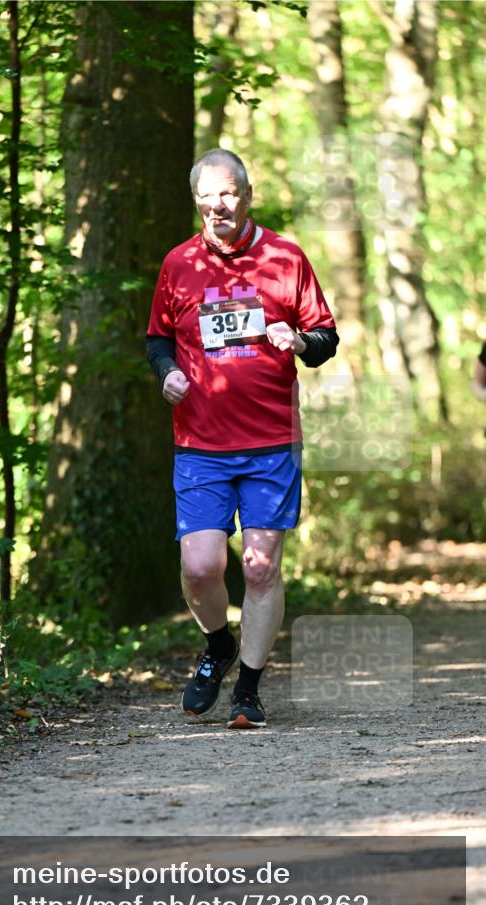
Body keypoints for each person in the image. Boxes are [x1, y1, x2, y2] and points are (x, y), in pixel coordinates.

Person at [146, 148, 339, 730]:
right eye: (206, 196)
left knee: (259, 568)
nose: (217, 205)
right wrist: (166, 372)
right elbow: (157, 338)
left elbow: (325, 337)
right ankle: (218, 645)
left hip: (270, 442)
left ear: (248, 196)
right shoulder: (178, 263)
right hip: (200, 443)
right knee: (201, 566)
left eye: (227, 193)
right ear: (196, 202)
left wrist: (298, 341)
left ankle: (249, 690)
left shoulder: (286, 257)